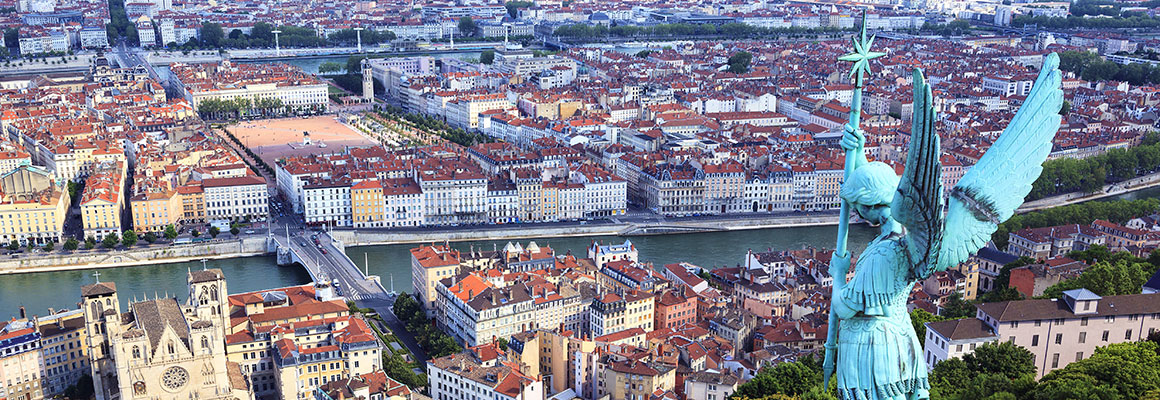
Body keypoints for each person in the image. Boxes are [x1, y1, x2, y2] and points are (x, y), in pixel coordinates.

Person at [828, 123, 929, 400]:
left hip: (874, 352)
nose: (857, 214)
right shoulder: (903, 235)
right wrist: (859, 152)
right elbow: (875, 189)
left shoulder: (884, 253)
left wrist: (839, 272)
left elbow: (845, 307)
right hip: (897, 340)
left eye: (858, 206)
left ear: (868, 203)